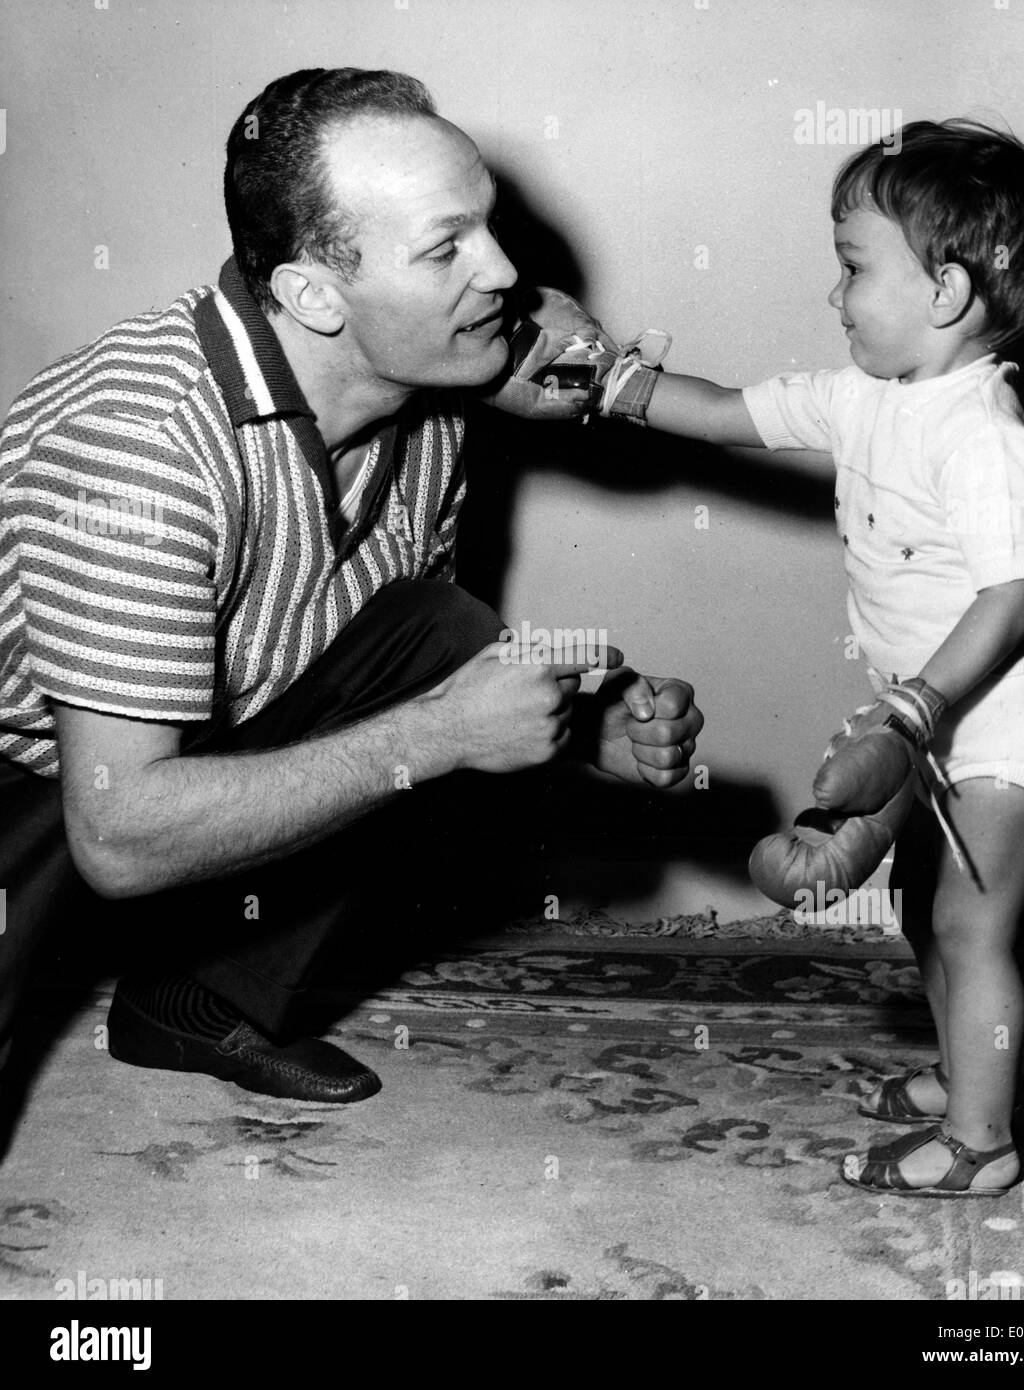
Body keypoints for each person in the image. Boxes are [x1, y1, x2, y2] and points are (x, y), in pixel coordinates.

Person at [0, 68, 703, 1108]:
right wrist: (435, 736)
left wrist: (577, 728)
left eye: (490, 227)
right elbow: (118, 832)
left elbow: (401, 660)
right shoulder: (146, 450)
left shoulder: (425, 403)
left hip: (128, 762)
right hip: (40, 784)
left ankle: (190, 1001)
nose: (505, 270)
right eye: (445, 246)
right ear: (315, 294)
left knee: (444, 636)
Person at [591, 119, 1024, 1195]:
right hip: (935, 724)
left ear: (949, 291)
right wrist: (618, 383)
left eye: (855, 267)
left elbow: (1016, 596)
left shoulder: (986, 436)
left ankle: (983, 1143)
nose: (836, 294)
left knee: (971, 922)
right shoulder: (864, 397)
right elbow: (729, 413)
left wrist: (914, 710)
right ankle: (968, 1078)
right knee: (923, 911)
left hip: (1007, 723)